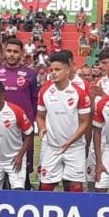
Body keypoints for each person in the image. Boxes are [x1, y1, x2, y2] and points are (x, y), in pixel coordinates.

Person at [36, 52, 91, 192]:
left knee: (75, 187)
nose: (53, 73)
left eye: (57, 69)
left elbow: (85, 122)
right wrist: (42, 128)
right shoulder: (44, 91)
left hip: (74, 147)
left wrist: (70, 141)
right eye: (51, 70)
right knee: (46, 187)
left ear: (67, 70)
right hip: (52, 146)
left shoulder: (79, 92)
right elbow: (40, 116)